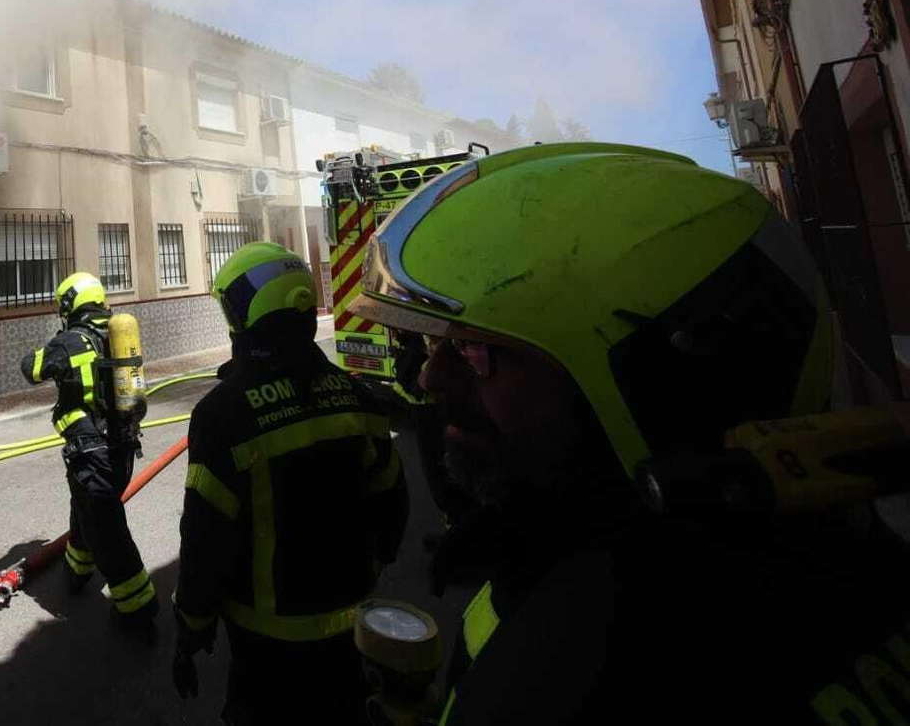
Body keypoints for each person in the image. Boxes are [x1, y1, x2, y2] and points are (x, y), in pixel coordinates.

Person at [347, 142, 910, 723]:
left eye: (474, 350)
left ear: (652, 379)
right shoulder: (848, 554)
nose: (432, 375)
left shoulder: (569, 678)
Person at [171, 242, 409, 724]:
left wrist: (192, 627)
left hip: (268, 650)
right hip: (356, 632)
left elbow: (204, 540)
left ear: (246, 318)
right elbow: (393, 506)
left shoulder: (223, 415)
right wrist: (368, 568)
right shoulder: (359, 397)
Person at [20, 271, 159, 632]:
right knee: (86, 508)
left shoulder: (69, 340)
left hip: (89, 449)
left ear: (71, 304)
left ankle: (138, 607)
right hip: (123, 445)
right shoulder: (116, 332)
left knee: (107, 527)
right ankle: (78, 569)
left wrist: (51, 347)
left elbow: (31, 369)